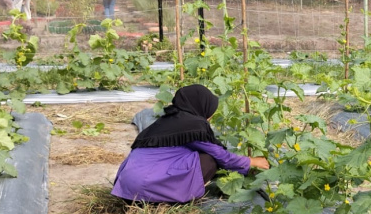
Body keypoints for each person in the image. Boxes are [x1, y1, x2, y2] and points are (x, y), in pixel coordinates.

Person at [111, 84, 270, 203]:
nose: (209, 118)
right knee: (209, 160)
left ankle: (161, 195)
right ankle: (176, 198)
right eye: (209, 113)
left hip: (126, 190)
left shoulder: (166, 121)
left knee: (189, 154)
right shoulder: (193, 126)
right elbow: (222, 156)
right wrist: (250, 161)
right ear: (201, 107)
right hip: (146, 193)